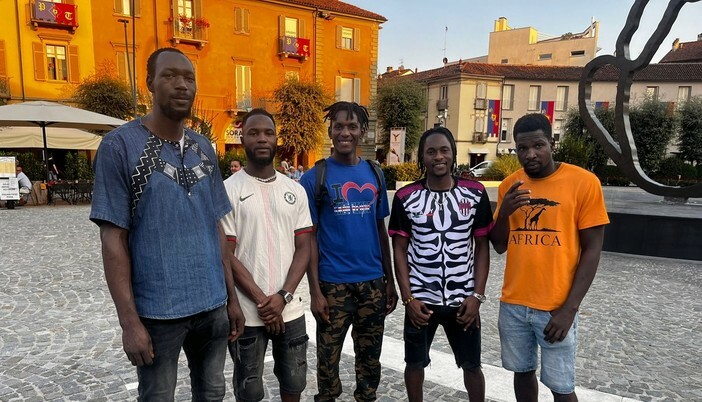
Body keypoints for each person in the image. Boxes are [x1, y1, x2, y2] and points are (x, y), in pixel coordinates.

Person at [89, 47, 245, 401]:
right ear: (149, 83)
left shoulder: (204, 148)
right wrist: (129, 322)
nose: (181, 85)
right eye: (170, 76)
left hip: (212, 306)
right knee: (158, 396)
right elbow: (113, 240)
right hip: (158, 313)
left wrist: (231, 299)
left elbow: (217, 229)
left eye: (189, 78)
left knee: (213, 392)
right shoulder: (119, 147)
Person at [490, 113, 609, 402]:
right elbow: (499, 245)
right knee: (522, 373)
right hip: (514, 304)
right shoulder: (509, 186)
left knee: (561, 386)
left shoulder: (584, 182)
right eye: (522, 148)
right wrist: (504, 213)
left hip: (556, 307)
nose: (530, 154)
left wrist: (570, 309)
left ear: (552, 144)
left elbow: (592, 249)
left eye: (538, 145)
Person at [300, 101, 398, 402]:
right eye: (339, 126)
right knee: (327, 362)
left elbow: (380, 230)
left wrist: (390, 282)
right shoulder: (314, 178)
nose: (345, 132)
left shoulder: (374, 173)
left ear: (363, 131)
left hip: (372, 284)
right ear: (330, 131)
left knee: (370, 361)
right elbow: (309, 239)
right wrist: (315, 292)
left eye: (352, 126)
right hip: (333, 285)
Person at [389, 127, 492, 402]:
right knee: (414, 363)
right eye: (431, 151)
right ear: (422, 157)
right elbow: (399, 249)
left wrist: (477, 296)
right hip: (421, 300)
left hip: (463, 300)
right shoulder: (406, 197)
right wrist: (408, 298)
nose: (438, 157)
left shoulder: (475, 193)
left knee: (472, 365)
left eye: (444, 150)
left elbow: (482, 246)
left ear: (453, 154)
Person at [221, 109, 312, 402]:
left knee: (294, 382)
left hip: (291, 308)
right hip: (248, 313)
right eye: (254, 133)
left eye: (268, 133)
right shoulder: (227, 191)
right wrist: (263, 302)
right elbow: (226, 254)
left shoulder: (295, 190)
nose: (262, 138)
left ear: (276, 139)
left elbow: (304, 247)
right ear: (242, 140)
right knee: (249, 390)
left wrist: (283, 297)